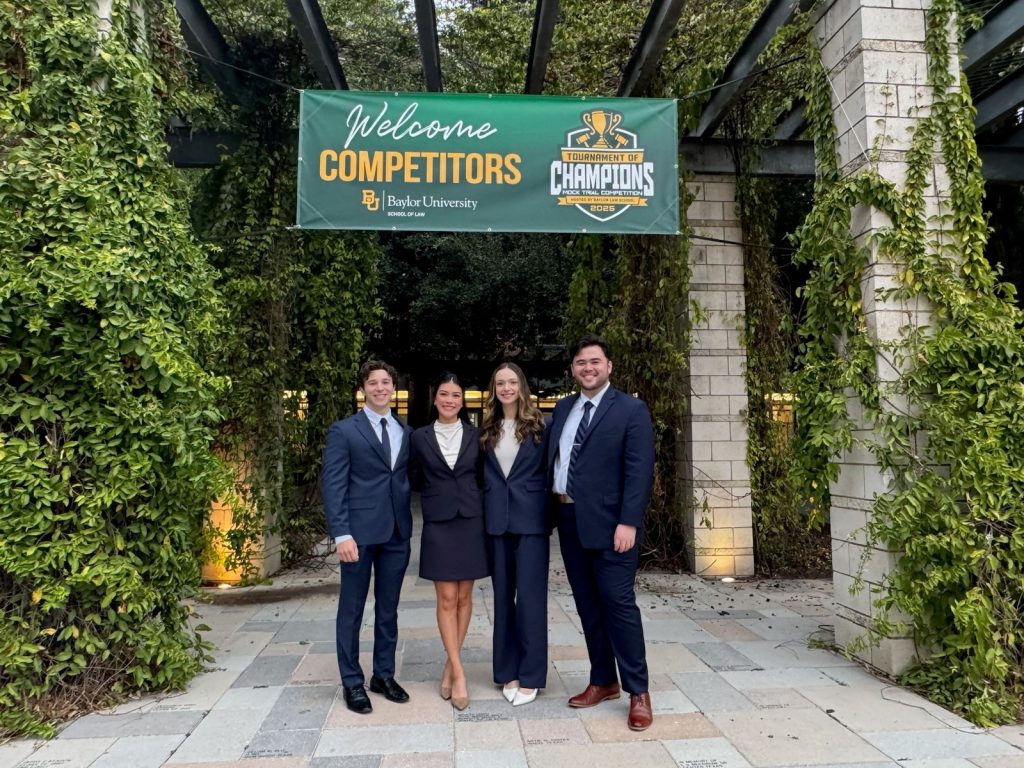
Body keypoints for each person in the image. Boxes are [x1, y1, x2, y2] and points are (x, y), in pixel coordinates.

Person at [548, 333, 656, 731]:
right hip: (569, 521)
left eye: (594, 361)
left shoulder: (630, 410)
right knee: (588, 607)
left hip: (614, 527)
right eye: (580, 363)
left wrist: (629, 521)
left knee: (619, 606)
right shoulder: (562, 410)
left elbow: (639, 471)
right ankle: (603, 680)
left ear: (608, 366)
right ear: (573, 369)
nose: (587, 368)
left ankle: (638, 691)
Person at [321, 360, 413, 715]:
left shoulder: (404, 429)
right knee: (352, 610)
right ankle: (351, 681)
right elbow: (333, 484)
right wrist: (341, 532)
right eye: (372, 383)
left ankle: (383, 675)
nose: (379, 388)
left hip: (396, 534)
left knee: (388, 609)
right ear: (363, 389)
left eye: (385, 382)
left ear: (393, 387)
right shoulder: (344, 431)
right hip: (357, 536)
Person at [409, 373, 488, 711]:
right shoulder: (418, 437)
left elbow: (483, 476)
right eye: (444, 393)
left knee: (465, 597)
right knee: (446, 598)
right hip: (439, 521)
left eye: (456, 395)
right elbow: (414, 477)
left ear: (462, 400)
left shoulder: (477, 435)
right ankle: (459, 672)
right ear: (436, 398)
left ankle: (448, 666)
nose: (449, 400)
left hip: (471, 519)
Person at [480, 362, 550, 707]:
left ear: (521, 386)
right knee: (502, 599)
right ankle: (507, 669)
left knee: (532, 602)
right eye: (499, 383)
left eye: (511, 382)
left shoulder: (540, 425)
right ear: (494, 389)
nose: (506, 388)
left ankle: (532, 674)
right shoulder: (487, 427)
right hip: (497, 523)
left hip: (532, 522)